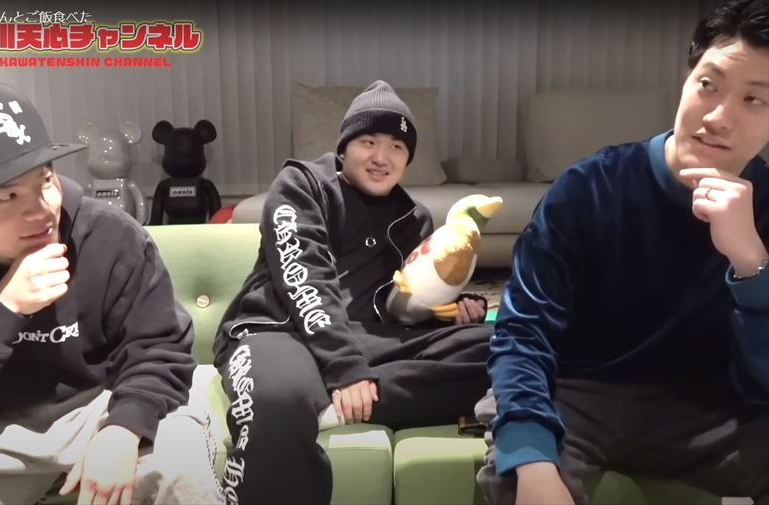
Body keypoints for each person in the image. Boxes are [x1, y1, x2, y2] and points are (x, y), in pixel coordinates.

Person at [0, 81, 223, 505]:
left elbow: (161, 349)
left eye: (45, 180)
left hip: (102, 403)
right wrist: (3, 309)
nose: (41, 210)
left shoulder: (108, 235)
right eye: (7, 196)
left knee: (178, 463)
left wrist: (124, 428)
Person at [476, 0, 769, 503]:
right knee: (515, 477)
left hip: (708, 407)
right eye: (708, 85)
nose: (719, 117)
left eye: (755, 100)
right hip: (578, 393)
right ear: (686, 80)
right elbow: (522, 331)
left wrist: (752, 266)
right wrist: (532, 461)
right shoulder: (590, 188)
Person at [213, 80, 495, 505]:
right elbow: (304, 277)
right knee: (278, 400)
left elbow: (399, 303)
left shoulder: (413, 217)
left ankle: (329, 406)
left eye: (397, 147)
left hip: (368, 340)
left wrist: (446, 310)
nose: (382, 157)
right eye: (368, 142)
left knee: (505, 349)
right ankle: (311, 397)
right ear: (344, 147)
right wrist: (345, 368)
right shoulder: (301, 184)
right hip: (280, 333)